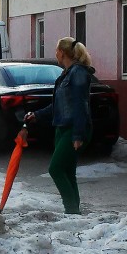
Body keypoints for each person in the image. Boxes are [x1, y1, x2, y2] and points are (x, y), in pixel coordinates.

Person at [23, 37, 94, 215]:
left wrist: (78, 135)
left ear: (62, 53)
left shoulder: (77, 72)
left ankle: (71, 210)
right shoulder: (66, 74)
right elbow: (58, 105)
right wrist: (36, 115)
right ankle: (74, 213)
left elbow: (80, 104)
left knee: (55, 169)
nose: (55, 54)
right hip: (62, 127)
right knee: (68, 171)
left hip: (74, 128)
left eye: (56, 50)